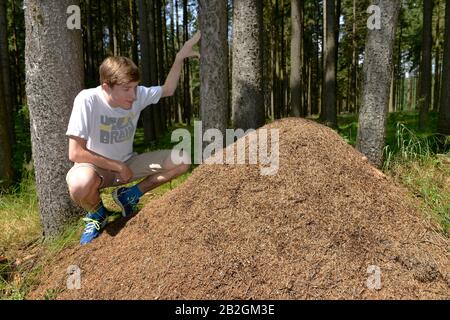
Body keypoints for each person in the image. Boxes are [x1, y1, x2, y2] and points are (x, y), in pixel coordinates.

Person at [66, 33, 201, 245]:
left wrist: (179, 58)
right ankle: (98, 215)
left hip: (128, 164)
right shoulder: (87, 100)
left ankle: (130, 196)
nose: (135, 95)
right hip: (95, 168)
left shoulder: (136, 96)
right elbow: (75, 153)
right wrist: (117, 166)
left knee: (182, 160)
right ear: (106, 87)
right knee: (79, 184)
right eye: (127, 89)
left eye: (136, 87)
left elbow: (168, 89)